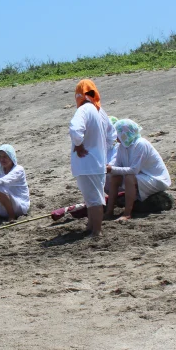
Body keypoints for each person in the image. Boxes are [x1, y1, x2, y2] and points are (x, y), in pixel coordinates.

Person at [69, 79, 116, 238]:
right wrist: (101, 149)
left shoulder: (84, 110)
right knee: (93, 196)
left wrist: (79, 143)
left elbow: (75, 129)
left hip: (87, 163)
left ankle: (97, 231)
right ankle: (91, 225)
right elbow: (112, 136)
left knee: (94, 198)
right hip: (98, 162)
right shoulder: (99, 110)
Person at [104, 119, 172, 222]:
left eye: (117, 134)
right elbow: (118, 165)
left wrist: (111, 169)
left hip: (156, 179)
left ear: (124, 133)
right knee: (115, 177)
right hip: (141, 177)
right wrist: (109, 168)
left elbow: (134, 170)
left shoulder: (141, 144)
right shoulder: (122, 147)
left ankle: (127, 213)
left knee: (129, 178)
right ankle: (109, 212)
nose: (115, 137)